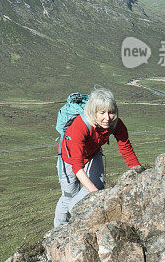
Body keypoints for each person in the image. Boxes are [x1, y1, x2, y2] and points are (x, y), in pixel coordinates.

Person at [53, 88, 143, 227]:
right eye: (102, 113)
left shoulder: (115, 124)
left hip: (92, 154)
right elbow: (77, 166)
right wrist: (96, 195)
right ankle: (59, 229)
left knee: (97, 186)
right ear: (93, 112)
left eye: (111, 112)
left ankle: (76, 216)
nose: (107, 118)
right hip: (69, 160)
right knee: (69, 197)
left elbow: (126, 148)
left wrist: (139, 174)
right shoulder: (80, 125)